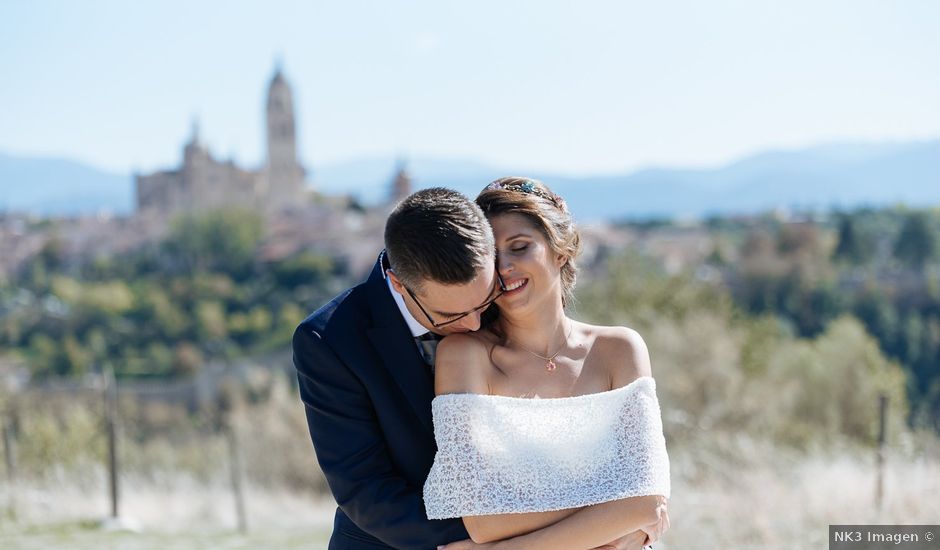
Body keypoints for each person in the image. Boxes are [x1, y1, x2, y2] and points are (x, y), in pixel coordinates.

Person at [294, 187, 660, 550]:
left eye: (484, 301)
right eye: (452, 315)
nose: (473, 323)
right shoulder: (330, 341)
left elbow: (648, 499)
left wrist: (617, 520)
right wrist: (605, 521)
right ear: (400, 286)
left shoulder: (612, 346)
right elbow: (367, 492)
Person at [424, 177, 671, 550]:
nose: (503, 266)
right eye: (490, 257)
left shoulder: (619, 349)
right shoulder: (465, 355)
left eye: (519, 247)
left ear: (560, 250)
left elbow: (647, 499)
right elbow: (481, 521)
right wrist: (614, 515)